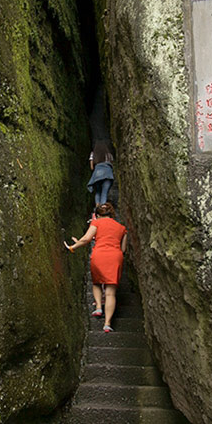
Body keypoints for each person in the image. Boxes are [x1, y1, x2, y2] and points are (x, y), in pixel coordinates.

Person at [64, 202, 127, 332]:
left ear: (97, 215)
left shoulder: (96, 223)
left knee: (97, 282)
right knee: (110, 293)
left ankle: (98, 307)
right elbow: (123, 249)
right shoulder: (122, 228)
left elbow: (86, 239)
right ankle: (107, 324)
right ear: (112, 214)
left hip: (99, 255)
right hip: (115, 257)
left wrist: (73, 247)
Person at [87, 140, 115, 207]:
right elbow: (112, 165)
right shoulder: (109, 155)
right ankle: (103, 209)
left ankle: (97, 209)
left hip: (98, 174)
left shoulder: (93, 154)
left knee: (98, 192)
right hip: (108, 174)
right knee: (104, 193)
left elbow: (91, 167)